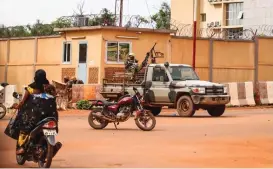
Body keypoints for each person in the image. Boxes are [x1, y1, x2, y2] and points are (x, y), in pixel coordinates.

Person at [14, 69, 62, 155]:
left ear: (35, 77)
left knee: (23, 125)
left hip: (35, 116)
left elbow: (23, 101)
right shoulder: (50, 87)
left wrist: (18, 106)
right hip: (51, 115)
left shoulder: (30, 88)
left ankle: (22, 147)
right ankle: (51, 145)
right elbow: (54, 97)